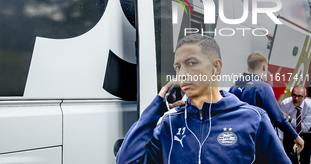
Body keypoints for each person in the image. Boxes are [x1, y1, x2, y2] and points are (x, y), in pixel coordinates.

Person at [116, 34, 291, 164]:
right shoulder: (168, 124)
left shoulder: (253, 118)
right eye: (177, 67)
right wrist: (157, 107)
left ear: (216, 66)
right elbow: (126, 161)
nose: (182, 74)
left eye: (191, 63)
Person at [229, 51, 304, 153]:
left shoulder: (234, 88)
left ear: (248, 69)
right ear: (264, 67)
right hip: (254, 143)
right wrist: (296, 137)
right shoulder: (263, 87)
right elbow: (278, 118)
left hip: (236, 140)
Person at [278, 85, 311, 164]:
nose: (296, 99)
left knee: (305, 159)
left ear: (304, 97)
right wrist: (280, 140)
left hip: (305, 134)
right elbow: (280, 124)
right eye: (294, 95)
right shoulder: (285, 104)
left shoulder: (309, 106)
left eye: (299, 96)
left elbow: (305, 127)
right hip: (289, 133)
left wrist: (290, 118)